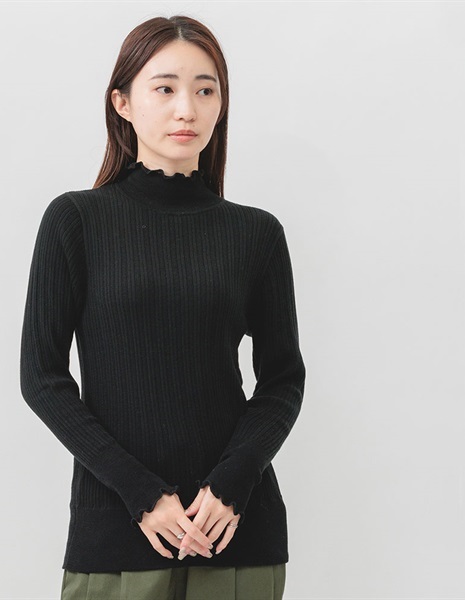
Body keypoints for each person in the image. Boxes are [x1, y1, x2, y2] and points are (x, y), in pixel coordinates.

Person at [20, 14, 306, 600]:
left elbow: (283, 379)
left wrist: (232, 485)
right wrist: (142, 494)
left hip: (234, 534)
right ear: (122, 102)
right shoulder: (76, 221)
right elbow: (42, 378)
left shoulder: (256, 233)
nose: (186, 109)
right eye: (165, 88)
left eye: (205, 90)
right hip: (117, 533)